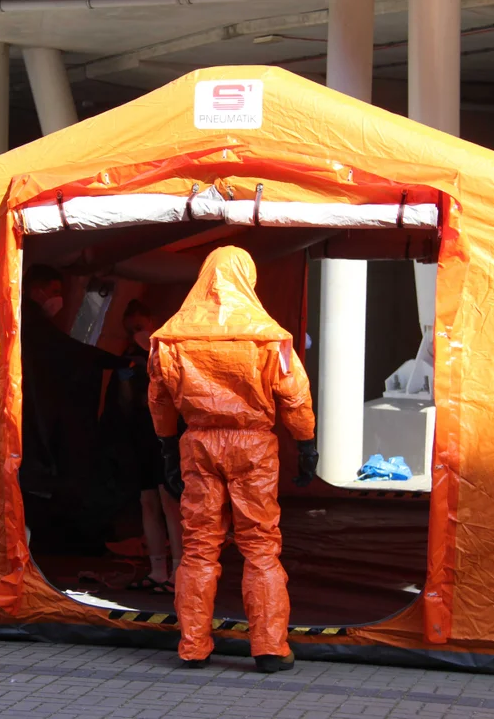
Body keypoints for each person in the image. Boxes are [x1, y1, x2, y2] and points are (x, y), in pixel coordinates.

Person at [147, 246, 319, 673]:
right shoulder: (270, 337)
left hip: (199, 444)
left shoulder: (170, 339)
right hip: (254, 447)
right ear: (249, 277)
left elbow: (160, 399)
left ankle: (193, 647)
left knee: (199, 548)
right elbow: (294, 393)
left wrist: (169, 445)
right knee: (260, 546)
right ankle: (269, 648)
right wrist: (306, 443)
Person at [20, 264, 132, 556]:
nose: (58, 300)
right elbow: (70, 353)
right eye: (54, 292)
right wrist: (118, 364)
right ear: (36, 291)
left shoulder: (26, 323)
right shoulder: (34, 327)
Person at [101, 300, 184, 593]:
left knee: (170, 502)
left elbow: (178, 391)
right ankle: (158, 569)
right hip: (140, 436)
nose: (134, 334)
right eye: (130, 329)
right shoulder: (129, 356)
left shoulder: (169, 349)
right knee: (147, 502)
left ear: (151, 321)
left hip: (165, 438)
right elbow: (121, 403)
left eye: (139, 327)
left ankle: (179, 571)